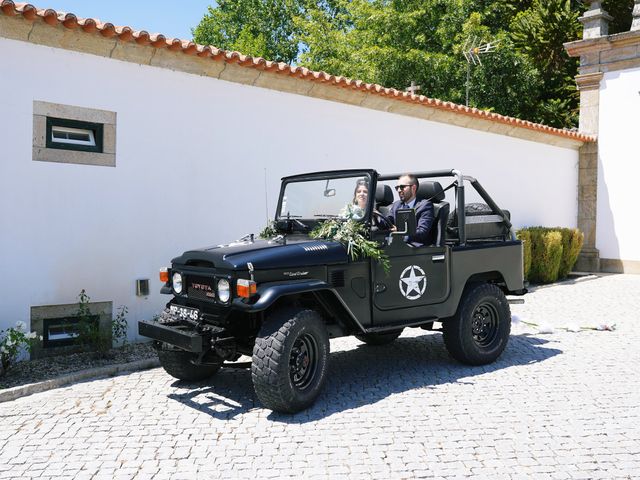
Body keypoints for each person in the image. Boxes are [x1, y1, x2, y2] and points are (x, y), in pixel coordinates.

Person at [385, 173, 434, 246]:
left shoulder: (425, 206)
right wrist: (374, 215)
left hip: (415, 249)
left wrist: (400, 232)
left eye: (402, 187)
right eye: (397, 187)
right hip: (397, 245)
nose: (398, 190)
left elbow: (422, 232)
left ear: (413, 188)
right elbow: (387, 222)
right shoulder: (397, 205)